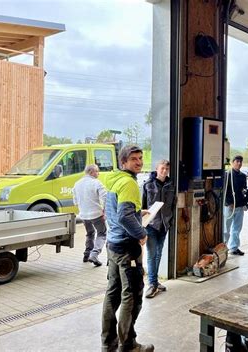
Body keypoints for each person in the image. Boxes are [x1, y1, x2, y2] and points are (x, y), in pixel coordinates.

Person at [101, 145, 154, 352]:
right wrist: (141, 234)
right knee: (131, 295)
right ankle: (129, 345)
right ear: (124, 162)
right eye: (134, 159)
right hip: (126, 248)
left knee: (112, 294)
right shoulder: (129, 183)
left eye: (140, 158)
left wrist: (138, 212)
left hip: (113, 245)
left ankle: (108, 344)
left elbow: (117, 212)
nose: (139, 162)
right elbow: (123, 216)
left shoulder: (113, 179)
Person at [142, 160, 175, 299]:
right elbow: (142, 205)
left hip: (164, 225)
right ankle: (151, 284)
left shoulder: (171, 185)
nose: (165, 170)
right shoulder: (147, 185)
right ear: (156, 169)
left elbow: (173, 204)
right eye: (162, 168)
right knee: (151, 254)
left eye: (167, 168)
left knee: (159, 254)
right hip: (151, 225)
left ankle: (155, 282)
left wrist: (170, 220)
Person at [73, 164, 107, 266]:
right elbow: (105, 197)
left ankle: (87, 255)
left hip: (83, 215)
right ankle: (94, 254)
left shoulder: (77, 184)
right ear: (91, 172)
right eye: (97, 171)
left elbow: (75, 201)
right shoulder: (96, 183)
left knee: (90, 233)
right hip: (96, 214)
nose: (98, 173)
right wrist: (105, 210)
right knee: (102, 233)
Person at [223, 155, 248, 255]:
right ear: (233, 162)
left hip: (239, 205)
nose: (239, 163)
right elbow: (224, 191)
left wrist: (244, 203)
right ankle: (223, 249)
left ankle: (234, 247)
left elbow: (244, 189)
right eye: (237, 161)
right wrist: (229, 202)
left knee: (237, 228)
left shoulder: (243, 176)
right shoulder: (227, 175)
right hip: (229, 206)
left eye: (240, 162)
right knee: (226, 229)